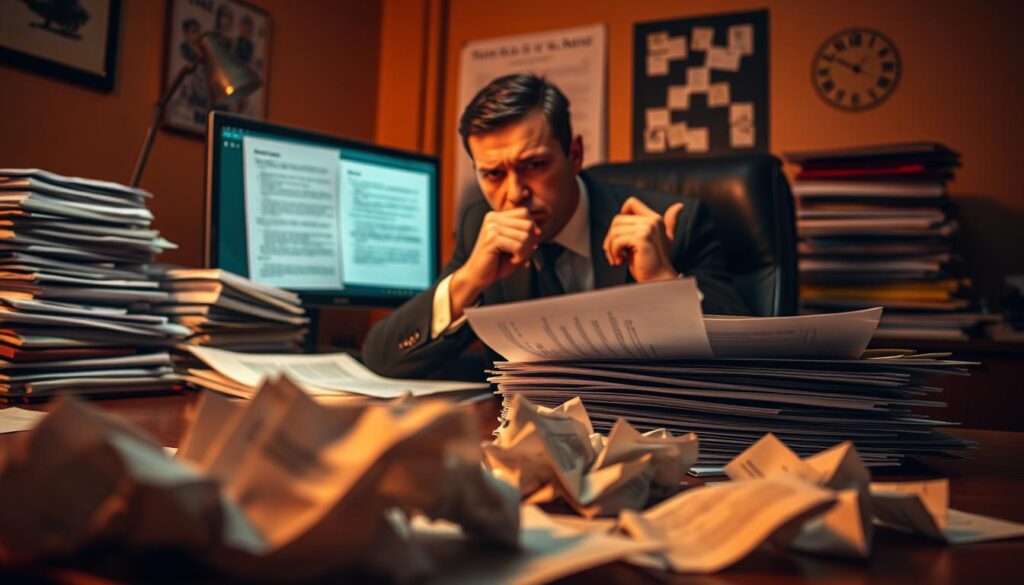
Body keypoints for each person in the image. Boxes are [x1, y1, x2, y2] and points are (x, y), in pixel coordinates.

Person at [363, 74, 748, 378]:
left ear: (574, 154)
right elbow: (382, 359)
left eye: (534, 165)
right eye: (493, 174)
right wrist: (468, 282)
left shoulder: (671, 224)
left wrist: (665, 284)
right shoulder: (479, 227)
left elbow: (757, 365)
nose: (514, 194)